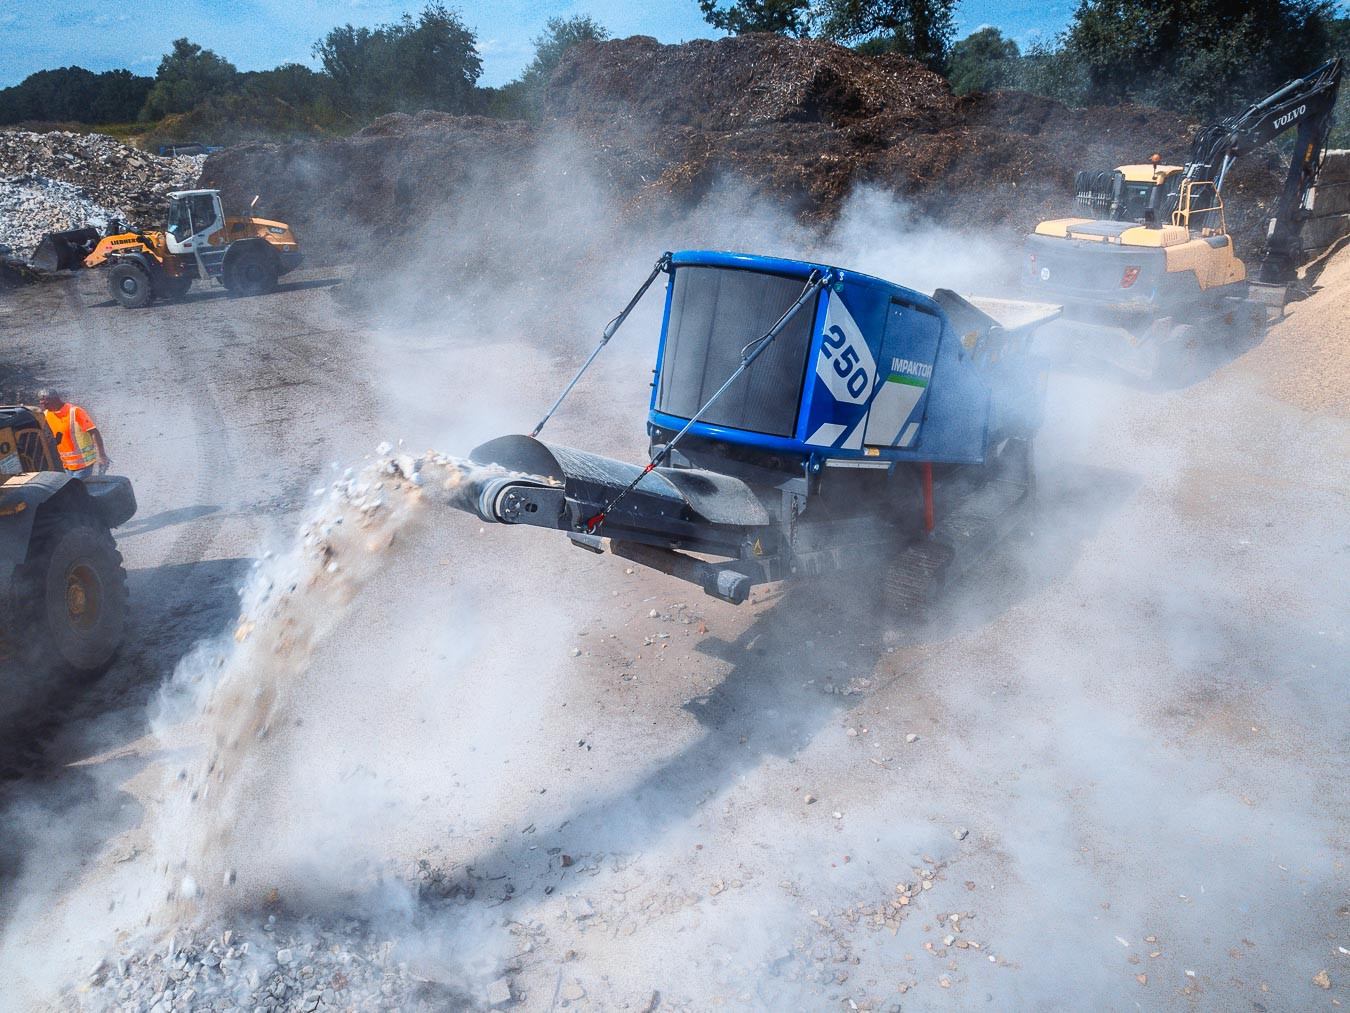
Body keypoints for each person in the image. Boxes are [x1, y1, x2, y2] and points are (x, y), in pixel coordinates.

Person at [36, 388, 110, 478]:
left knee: (75, 489)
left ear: (56, 399)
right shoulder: (47, 414)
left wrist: (101, 455)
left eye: (46, 403)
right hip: (67, 466)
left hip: (84, 464)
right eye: (42, 404)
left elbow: (94, 432)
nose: (44, 407)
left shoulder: (75, 412)